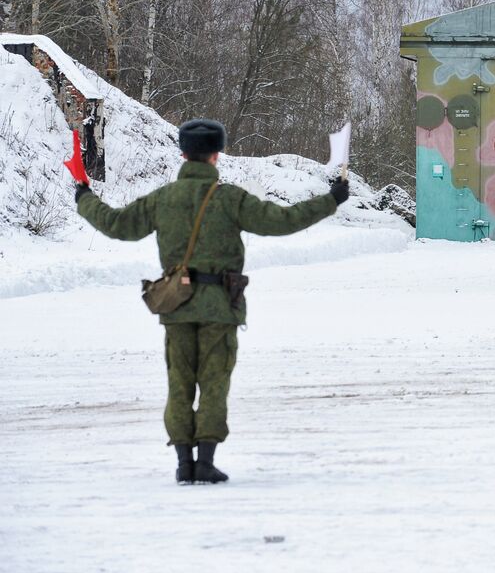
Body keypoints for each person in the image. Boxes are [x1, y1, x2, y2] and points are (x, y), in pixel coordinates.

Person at [75, 118, 349, 484]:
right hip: (220, 306)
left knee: (179, 384)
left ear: (183, 153)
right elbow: (283, 221)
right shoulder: (229, 199)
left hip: (176, 306)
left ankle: (183, 463)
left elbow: (116, 225)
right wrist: (330, 200)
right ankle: (206, 461)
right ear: (216, 155)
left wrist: (84, 197)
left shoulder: (162, 199)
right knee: (214, 383)